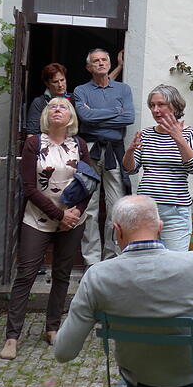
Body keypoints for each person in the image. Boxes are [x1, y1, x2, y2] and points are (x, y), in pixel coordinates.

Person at [54, 195, 193, 387]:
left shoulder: (97, 276)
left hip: (141, 380)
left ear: (117, 230)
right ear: (160, 227)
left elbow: (64, 351)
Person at [0, 97, 92, 360]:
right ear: (46, 115)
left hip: (73, 219)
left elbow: (89, 181)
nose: (57, 109)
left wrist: (75, 213)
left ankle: (52, 328)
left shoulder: (80, 145)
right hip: (37, 219)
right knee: (26, 274)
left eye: (63, 106)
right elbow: (28, 186)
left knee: (62, 274)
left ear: (71, 116)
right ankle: (12, 337)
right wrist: (58, 214)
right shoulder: (33, 143)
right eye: (52, 106)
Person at [73, 48, 134, 267]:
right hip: (89, 149)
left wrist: (97, 117)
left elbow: (129, 117)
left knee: (116, 206)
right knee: (89, 208)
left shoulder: (123, 89)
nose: (101, 63)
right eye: (96, 61)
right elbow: (85, 118)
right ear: (89, 67)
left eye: (104, 60)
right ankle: (91, 262)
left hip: (114, 151)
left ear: (109, 64)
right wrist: (114, 111)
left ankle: (112, 260)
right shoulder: (81, 90)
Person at [123, 84, 193, 251]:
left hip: (175, 210)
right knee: (145, 261)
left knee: (175, 262)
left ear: (174, 105)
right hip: (146, 209)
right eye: (152, 105)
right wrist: (129, 152)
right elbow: (130, 169)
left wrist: (178, 138)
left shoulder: (190, 133)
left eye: (161, 105)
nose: (155, 110)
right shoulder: (146, 134)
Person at [25, 63, 72, 136]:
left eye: (62, 80)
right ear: (47, 83)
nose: (60, 85)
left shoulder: (73, 99)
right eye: (55, 82)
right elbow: (31, 134)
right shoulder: (39, 102)